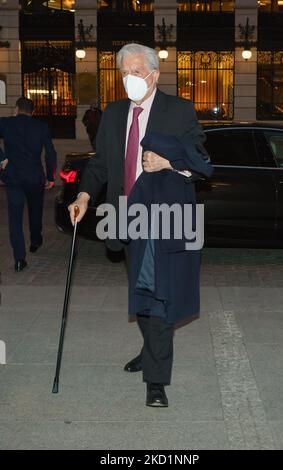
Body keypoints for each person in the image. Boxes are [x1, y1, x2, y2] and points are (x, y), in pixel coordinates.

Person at [69, 43, 211, 407]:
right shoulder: (114, 113)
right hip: (124, 214)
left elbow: (201, 160)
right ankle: (151, 351)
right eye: (124, 73)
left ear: (154, 74)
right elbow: (101, 163)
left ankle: (156, 381)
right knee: (141, 294)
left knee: (159, 295)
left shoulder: (178, 111)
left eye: (137, 71)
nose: (130, 79)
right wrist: (84, 197)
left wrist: (168, 162)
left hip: (164, 216)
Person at [0, 97, 57, 271]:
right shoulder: (41, 126)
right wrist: (51, 176)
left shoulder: (6, 123)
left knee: (15, 219)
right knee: (35, 209)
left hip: (13, 177)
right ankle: (35, 241)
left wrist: (2, 157)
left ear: (16, 109)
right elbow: (50, 153)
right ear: (32, 111)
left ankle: (19, 259)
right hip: (34, 176)